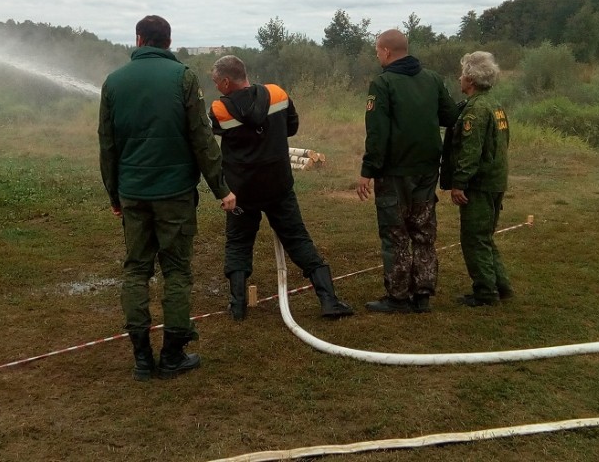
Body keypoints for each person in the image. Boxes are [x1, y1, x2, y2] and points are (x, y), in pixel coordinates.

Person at [98, 15, 237, 381]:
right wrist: (221, 188)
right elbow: (202, 140)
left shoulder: (113, 82)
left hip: (132, 194)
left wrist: (114, 194)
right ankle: (173, 354)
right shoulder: (184, 78)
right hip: (175, 195)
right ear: (168, 41)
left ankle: (142, 357)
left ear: (139, 39)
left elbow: (107, 146)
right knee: (176, 271)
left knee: (136, 270)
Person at [208, 55, 353, 321]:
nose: (216, 87)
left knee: (239, 243)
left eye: (217, 82)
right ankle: (329, 300)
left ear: (227, 81)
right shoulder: (277, 94)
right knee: (298, 239)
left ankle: (237, 306)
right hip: (278, 185)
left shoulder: (219, 109)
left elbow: (219, 137)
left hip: (241, 191)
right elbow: (292, 127)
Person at [356, 29, 459, 314]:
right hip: (427, 169)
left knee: (395, 233)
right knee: (423, 231)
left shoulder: (383, 83)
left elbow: (377, 133)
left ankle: (398, 297)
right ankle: (423, 293)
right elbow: (451, 116)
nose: (377, 55)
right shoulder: (434, 79)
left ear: (387, 52)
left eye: (377, 51)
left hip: (394, 173)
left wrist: (367, 169)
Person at [441, 51, 513, 306]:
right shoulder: (495, 105)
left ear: (470, 79)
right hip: (496, 180)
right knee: (486, 236)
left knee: (474, 238)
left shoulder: (475, 111)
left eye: (462, 74)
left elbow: (470, 151)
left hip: (480, 185)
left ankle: (485, 292)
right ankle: (501, 285)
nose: (460, 78)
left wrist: (459, 183)